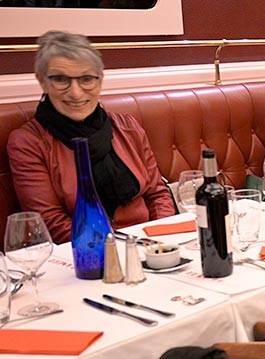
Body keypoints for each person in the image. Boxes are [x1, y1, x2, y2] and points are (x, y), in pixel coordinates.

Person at [8, 31, 174, 244]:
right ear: (42, 81)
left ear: (100, 79)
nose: (76, 93)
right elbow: (50, 221)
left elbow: (157, 194)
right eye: (60, 80)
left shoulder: (127, 127)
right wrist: (116, 249)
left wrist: (163, 241)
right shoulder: (28, 142)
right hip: (83, 254)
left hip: (148, 246)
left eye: (86, 79)